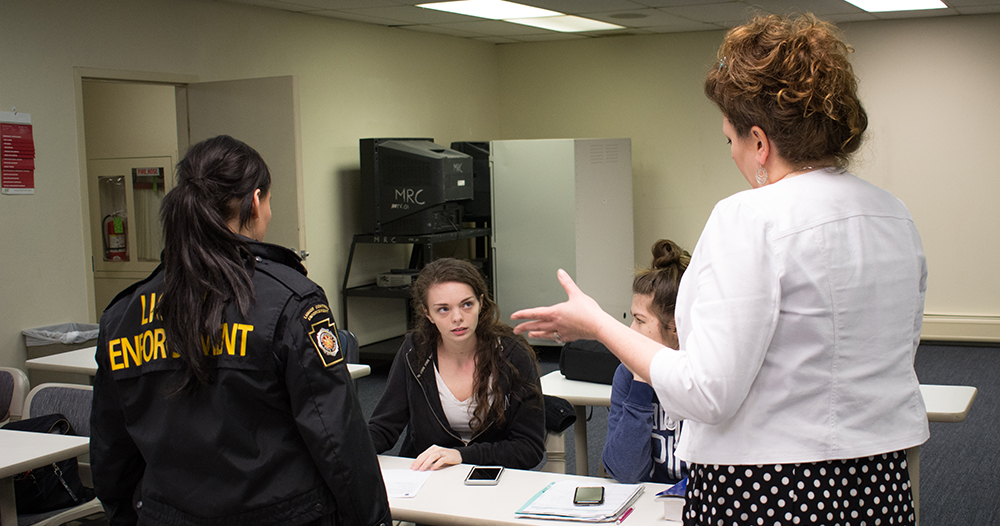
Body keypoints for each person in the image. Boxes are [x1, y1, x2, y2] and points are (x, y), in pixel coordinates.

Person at [512, 13, 928, 526]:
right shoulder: (893, 214)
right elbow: (894, 354)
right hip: (879, 482)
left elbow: (705, 393)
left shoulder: (748, 217)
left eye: (729, 140)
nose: (732, 154)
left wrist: (598, 324)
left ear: (760, 142)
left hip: (770, 490)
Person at [90, 135, 391, 526]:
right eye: (268, 201)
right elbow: (337, 438)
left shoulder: (123, 315)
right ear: (255, 201)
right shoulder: (290, 301)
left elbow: (111, 450)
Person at [368, 257, 545, 471]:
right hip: (428, 478)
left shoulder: (512, 354)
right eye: (443, 309)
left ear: (481, 303)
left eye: (467, 304)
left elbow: (529, 448)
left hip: (494, 478)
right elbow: (383, 428)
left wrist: (462, 455)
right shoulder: (414, 351)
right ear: (428, 314)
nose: (457, 317)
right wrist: (342, 453)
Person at [602, 239, 689, 485]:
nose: (631, 330)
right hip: (649, 506)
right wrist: (642, 381)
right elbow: (625, 472)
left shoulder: (706, 375)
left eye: (640, 320)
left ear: (675, 327)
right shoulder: (627, 375)